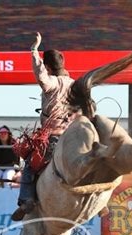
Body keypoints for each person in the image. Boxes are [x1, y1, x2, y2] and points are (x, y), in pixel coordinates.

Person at [11, 32, 78, 221]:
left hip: (53, 137)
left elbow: (41, 76)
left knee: (29, 167)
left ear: (48, 67)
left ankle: (26, 200)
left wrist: (34, 50)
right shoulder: (73, 84)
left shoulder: (52, 83)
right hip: (71, 136)